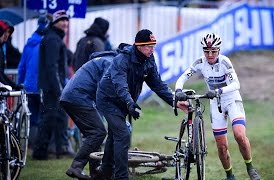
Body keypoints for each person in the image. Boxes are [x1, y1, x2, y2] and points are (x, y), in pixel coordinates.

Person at [95, 29, 188, 180]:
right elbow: (120, 85)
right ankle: (121, 177)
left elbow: (157, 85)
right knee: (123, 134)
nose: (152, 49)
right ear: (139, 46)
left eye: (154, 46)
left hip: (124, 101)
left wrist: (175, 102)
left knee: (115, 134)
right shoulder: (122, 60)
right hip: (108, 100)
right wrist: (130, 102)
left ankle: (105, 171)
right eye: (149, 46)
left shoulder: (149, 59)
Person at [175, 33, 261, 180]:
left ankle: (250, 167)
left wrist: (218, 91)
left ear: (219, 50)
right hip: (215, 103)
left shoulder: (225, 62)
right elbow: (183, 77)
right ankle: (230, 175)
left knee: (239, 135)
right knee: (221, 145)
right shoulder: (199, 63)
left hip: (232, 99)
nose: (210, 54)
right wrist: (178, 90)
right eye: (206, 51)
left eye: (213, 51)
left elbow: (236, 84)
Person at [60, 50, 118, 179]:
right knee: (97, 132)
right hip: (79, 97)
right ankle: (76, 167)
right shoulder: (111, 63)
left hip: (71, 96)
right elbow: (103, 88)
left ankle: (96, 172)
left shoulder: (105, 59)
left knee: (93, 133)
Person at [32, 10, 71, 160]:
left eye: (66, 20)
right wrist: (59, 89)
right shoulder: (53, 39)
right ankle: (41, 152)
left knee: (59, 118)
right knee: (49, 119)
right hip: (52, 88)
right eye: (62, 20)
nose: (65, 23)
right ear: (55, 23)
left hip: (53, 86)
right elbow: (52, 66)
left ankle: (60, 149)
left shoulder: (54, 38)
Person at [17, 15, 49, 147]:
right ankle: (41, 146)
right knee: (44, 115)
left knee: (33, 116)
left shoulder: (29, 43)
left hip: (29, 86)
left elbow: (21, 66)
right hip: (43, 86)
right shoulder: (47, 42)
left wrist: (19, 84)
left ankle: (31, 143)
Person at [0, 20, 23, 90]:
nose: (7, 34)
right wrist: (9, 85)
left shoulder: (2, 47)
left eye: (9, 32)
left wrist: (13, 85)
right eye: (5, 32)